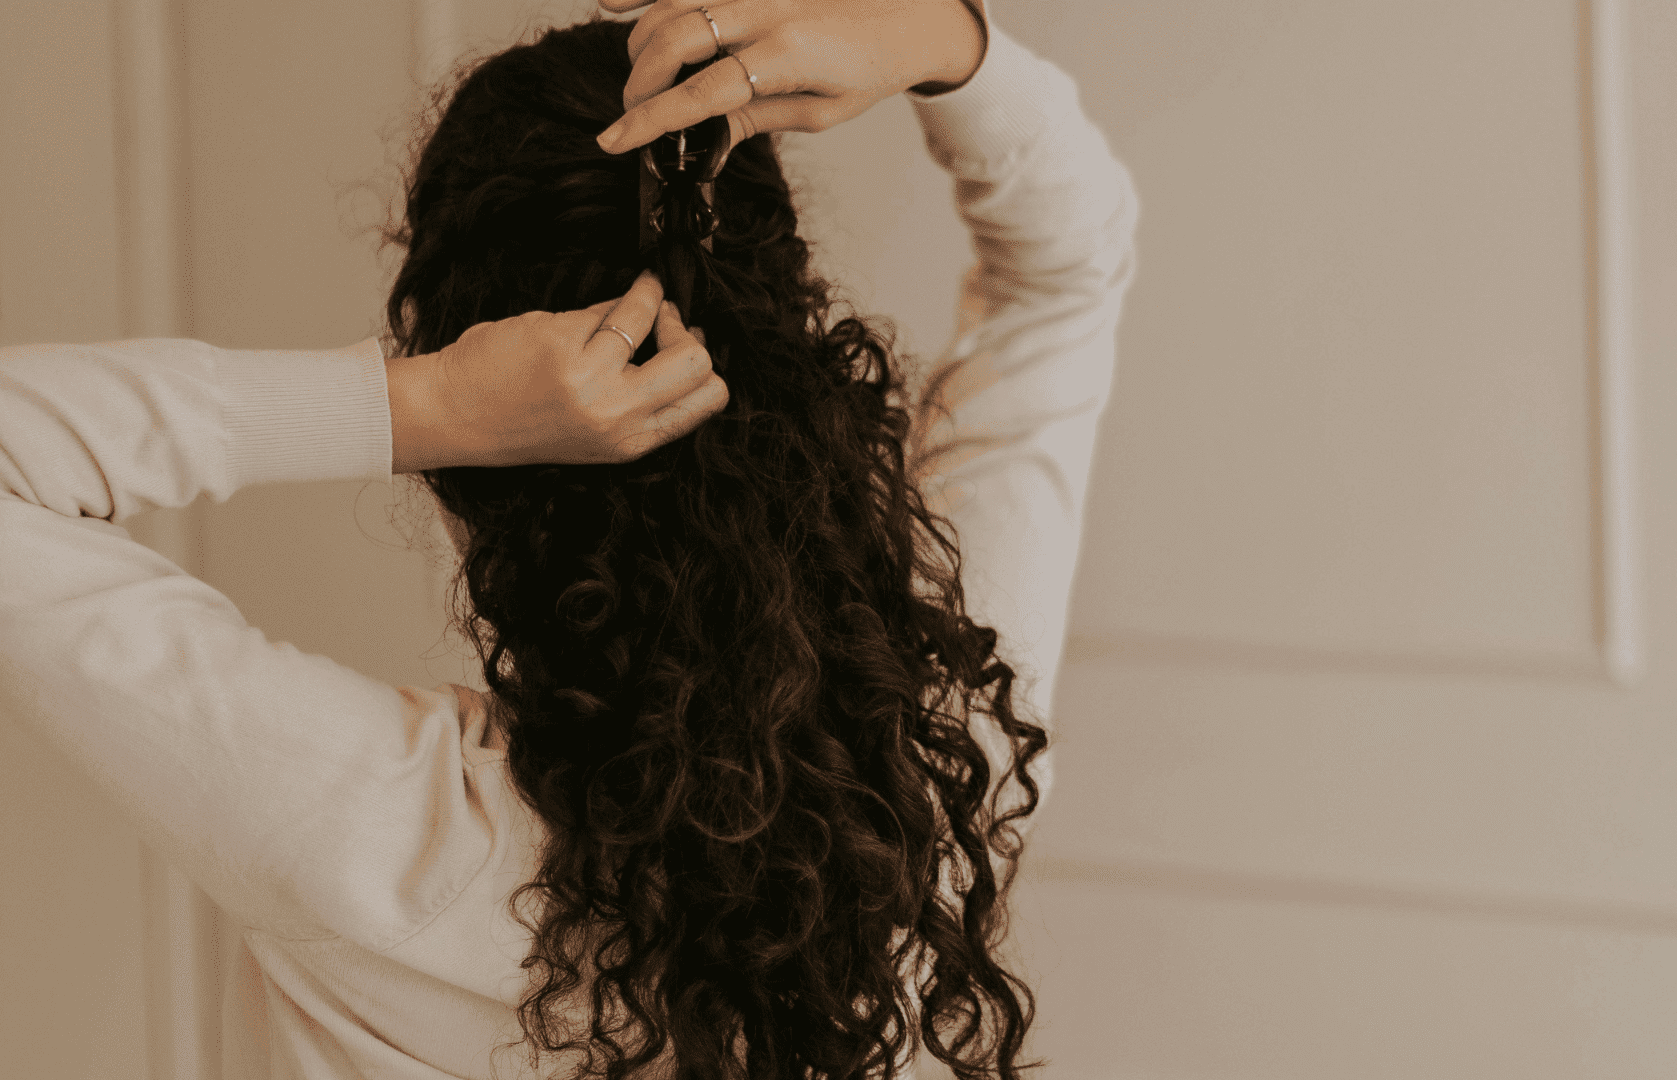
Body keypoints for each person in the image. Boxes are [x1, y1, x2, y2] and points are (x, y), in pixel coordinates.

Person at [0, 0, 1138, 1075]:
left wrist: (414, 406)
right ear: (784, 324)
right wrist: (940, 34)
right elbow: (1066, 272)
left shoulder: (388, 838)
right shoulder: (930, 751)